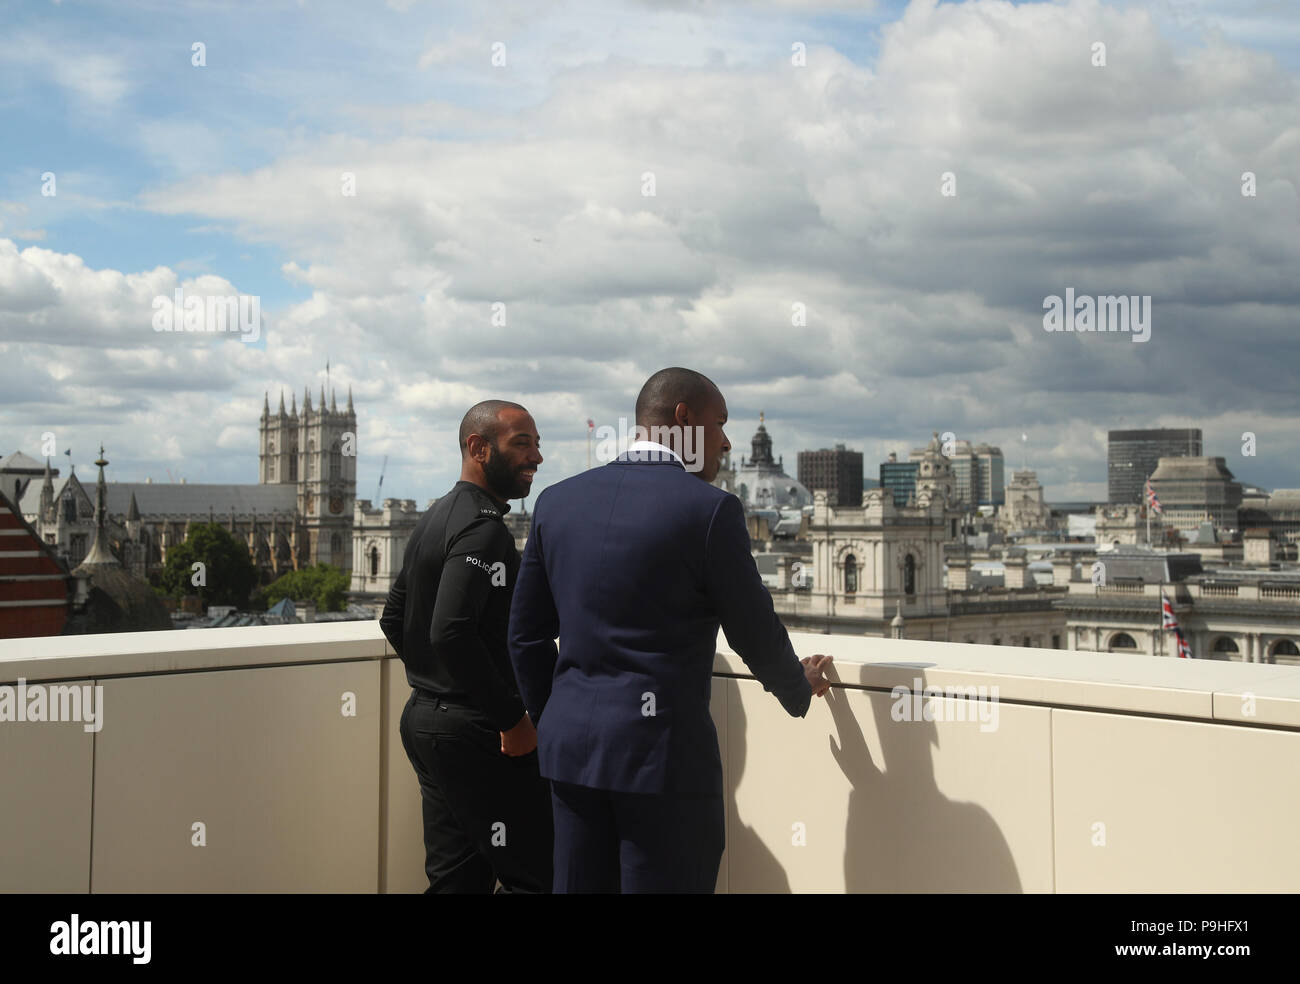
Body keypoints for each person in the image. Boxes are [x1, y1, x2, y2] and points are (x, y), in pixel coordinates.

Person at [508, 368, 832, 893]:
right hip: (661, 761)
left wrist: (559, 718)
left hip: (571, 755)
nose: (727, 442)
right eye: (720, 423)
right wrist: (798, 687)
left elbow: (525, 636)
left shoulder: (557, 501)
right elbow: (753, 630)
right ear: (683, 418)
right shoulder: (709, 510)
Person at [382, 399, 552, 893]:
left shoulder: (437, 515)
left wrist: (437, 684)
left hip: (427, 723)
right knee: (539, 875)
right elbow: (451, 630)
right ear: (479, 448)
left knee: (457, 880)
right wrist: (509, 719)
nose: (537, 457)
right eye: (522, 444)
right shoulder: (483, 530)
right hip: (479, 732)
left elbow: (395, 616)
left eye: (538, 444)